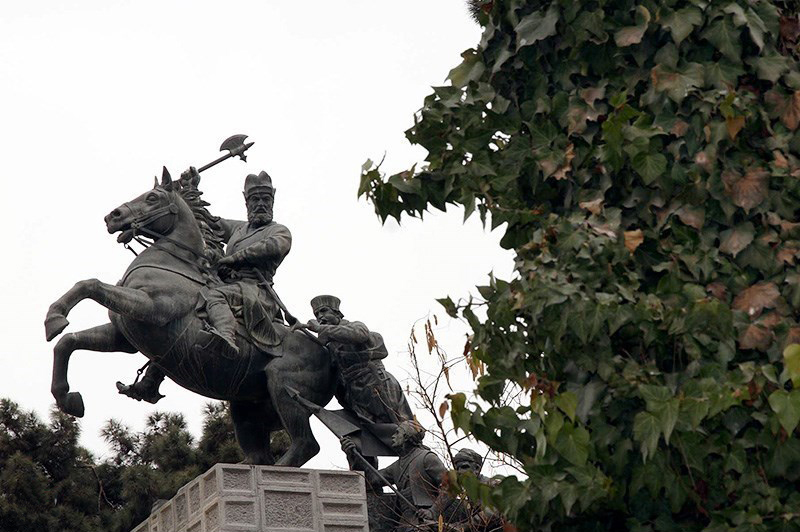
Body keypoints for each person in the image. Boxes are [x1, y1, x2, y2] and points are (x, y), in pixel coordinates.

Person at [117, 168, 291, 402]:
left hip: (254, 290)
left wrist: (234, 258)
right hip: (226, 283)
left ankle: (226, 337)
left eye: (265, 199)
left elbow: (273, 247)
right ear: (247, 201)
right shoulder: (239, 229)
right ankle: (151, 381)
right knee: (180, 305)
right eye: (255, 199)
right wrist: (189, 189)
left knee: (212, 297)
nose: (260, 204)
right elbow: (206, 222)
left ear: (273, 201)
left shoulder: (278, 230)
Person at [297, 295, 413, 425]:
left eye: (324, 311)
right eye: (317, 314)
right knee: (374, 434)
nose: (319, 316)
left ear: (337, 313)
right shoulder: (329, 345)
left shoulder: (355, 326)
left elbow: (360, 335)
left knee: (398, 425)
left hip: (375, 382)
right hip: (354, 394)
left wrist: (320, 329)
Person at [342, 421, 446, 531]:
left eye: (397, 433)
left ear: (406, 436)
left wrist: (433, 511)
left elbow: (451, 487)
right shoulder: (397, 466)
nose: (393, 436)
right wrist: (354, 455)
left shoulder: (427, 458)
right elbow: (374, 479)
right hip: (405, 522)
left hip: (424, 522)